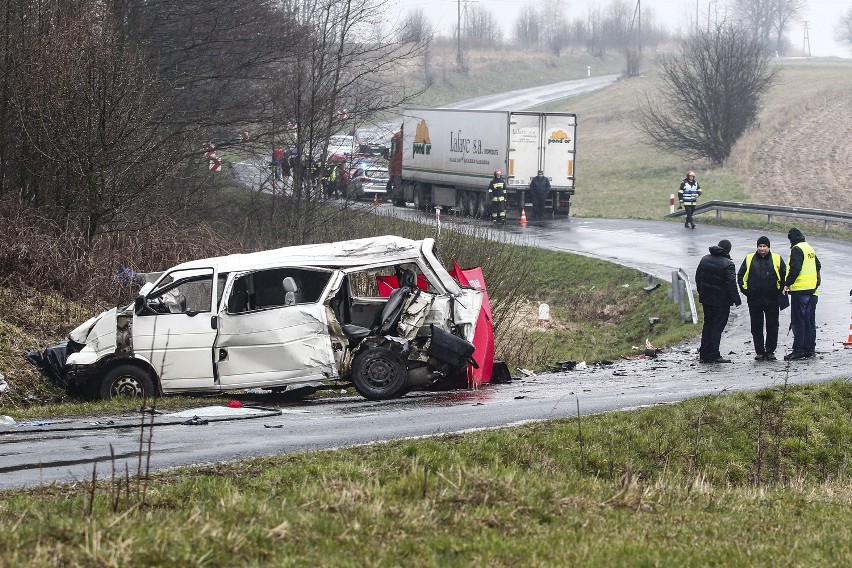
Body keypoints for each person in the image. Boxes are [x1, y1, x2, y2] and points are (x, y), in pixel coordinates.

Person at [737, 236, 787, 361]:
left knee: (772, 326)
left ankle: (770, 351)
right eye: (760, 246)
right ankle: (759, 351)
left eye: (764, 246)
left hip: (772, 299)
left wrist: (779, 290)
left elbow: (784, 275)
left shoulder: (777, 258)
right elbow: (741, 275)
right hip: (754, 299)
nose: (762, 249)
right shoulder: (749, 258)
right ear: (757, 247)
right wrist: (746, 291)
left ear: (769, 247)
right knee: (756, 326)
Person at [695, 239, 741, 363]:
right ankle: (714, 355)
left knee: (707, 325)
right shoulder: (728, 264)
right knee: (717, 327)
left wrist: (701, 292)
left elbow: (698, 278)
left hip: (706, 300)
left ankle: (704, 354)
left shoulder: (705, 259)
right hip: (721, 302)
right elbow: (731, 284)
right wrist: (737, 300)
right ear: (728, 250)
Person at [782, 228, 821, 360]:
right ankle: (809, 349)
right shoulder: (809, 248)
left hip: (800, 290)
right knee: (809, 321)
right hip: (811, 290)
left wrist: (787, 284)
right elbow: (818, 265)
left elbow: (795, 268)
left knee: (798, 322)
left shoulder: (797, 249)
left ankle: (798, 350)